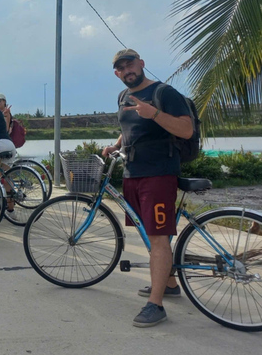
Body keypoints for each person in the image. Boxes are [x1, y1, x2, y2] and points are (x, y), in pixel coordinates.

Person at [101, 49, 193, 328]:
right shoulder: (123, 97)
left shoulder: (165, 93)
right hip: (132, 173)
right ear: (117, 74)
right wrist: (116, 145)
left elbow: (186, 129)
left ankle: (156, 305)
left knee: (158, 237)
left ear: (142, 64)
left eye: (131, 64)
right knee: (149, 234)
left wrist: (154, 113)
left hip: (158, 173)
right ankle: (170, 283)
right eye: (121, 68)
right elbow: (130, 124)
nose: (127, 70)